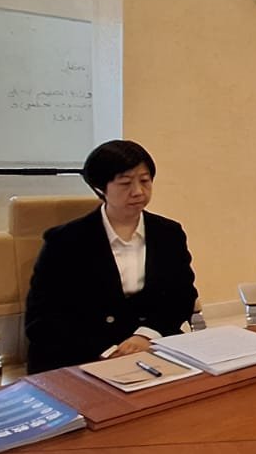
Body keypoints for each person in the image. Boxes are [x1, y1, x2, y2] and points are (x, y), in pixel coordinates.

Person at [24, 140, 197, 372]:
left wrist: (146, 336)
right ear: (100, 188)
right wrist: (107, 351)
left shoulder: (168, 233)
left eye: (145, 181)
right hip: (81, 353)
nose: (138, 191)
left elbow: (181, 295)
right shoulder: (65, 241)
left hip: (150, 346)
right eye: (125, 183)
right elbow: (44, 316)